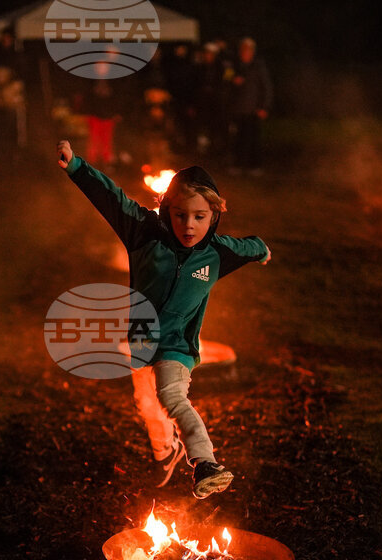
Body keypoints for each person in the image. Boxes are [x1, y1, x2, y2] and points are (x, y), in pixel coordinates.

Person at [56, 139, 272, 498]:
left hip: (177, 345)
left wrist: (262, 250)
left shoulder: (216, 252)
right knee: (147, 403)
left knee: (171, 395)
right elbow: (111, 198)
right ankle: (165, 452)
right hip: (141, 341)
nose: (189, 226)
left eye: (200, 217)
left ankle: (204, 462)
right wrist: (77, 166)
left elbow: (249, 245)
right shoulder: (144, 233)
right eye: (181, 215)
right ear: (167, 210)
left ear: (214, 215)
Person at [227, 37, 272, 175]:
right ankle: (238, 164)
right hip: (239, 109)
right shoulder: (235, 66)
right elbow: (225, 80)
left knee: (254, 139)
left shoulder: (258, 67)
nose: (245, 53)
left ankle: (255, 166)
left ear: (252, 52)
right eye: (243, 50)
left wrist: (264, 107)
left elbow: (267, 88)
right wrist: (233, 80)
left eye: (248, 50)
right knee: (239, 138)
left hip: (254, 110)